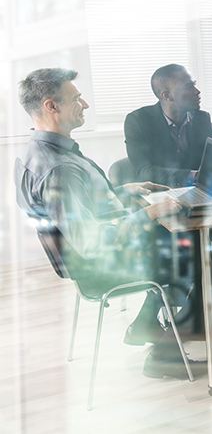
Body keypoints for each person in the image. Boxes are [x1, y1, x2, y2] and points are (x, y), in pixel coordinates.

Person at [14, 68, 198, 379]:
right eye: (76, 98)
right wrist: (152, 213)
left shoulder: (36, 154)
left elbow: (79, 211)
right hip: (100, 267)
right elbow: (92, 242)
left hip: (91, 257)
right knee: (199, 253)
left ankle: (150, 321)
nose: (84, 105)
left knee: (188, 245)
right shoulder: (59, 169)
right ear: (51, 106)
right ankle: (164, 350)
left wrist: (122, 192)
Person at [124, 63, 212, 328]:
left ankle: (210, 278)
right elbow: (144, 170)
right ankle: (210, 281)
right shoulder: (138, 120)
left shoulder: (201, 118)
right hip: (161, 204)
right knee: (210, 257)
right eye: (189, 86)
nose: (197, 90)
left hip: (200, 200)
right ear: (166, 96)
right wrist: (191, 175)